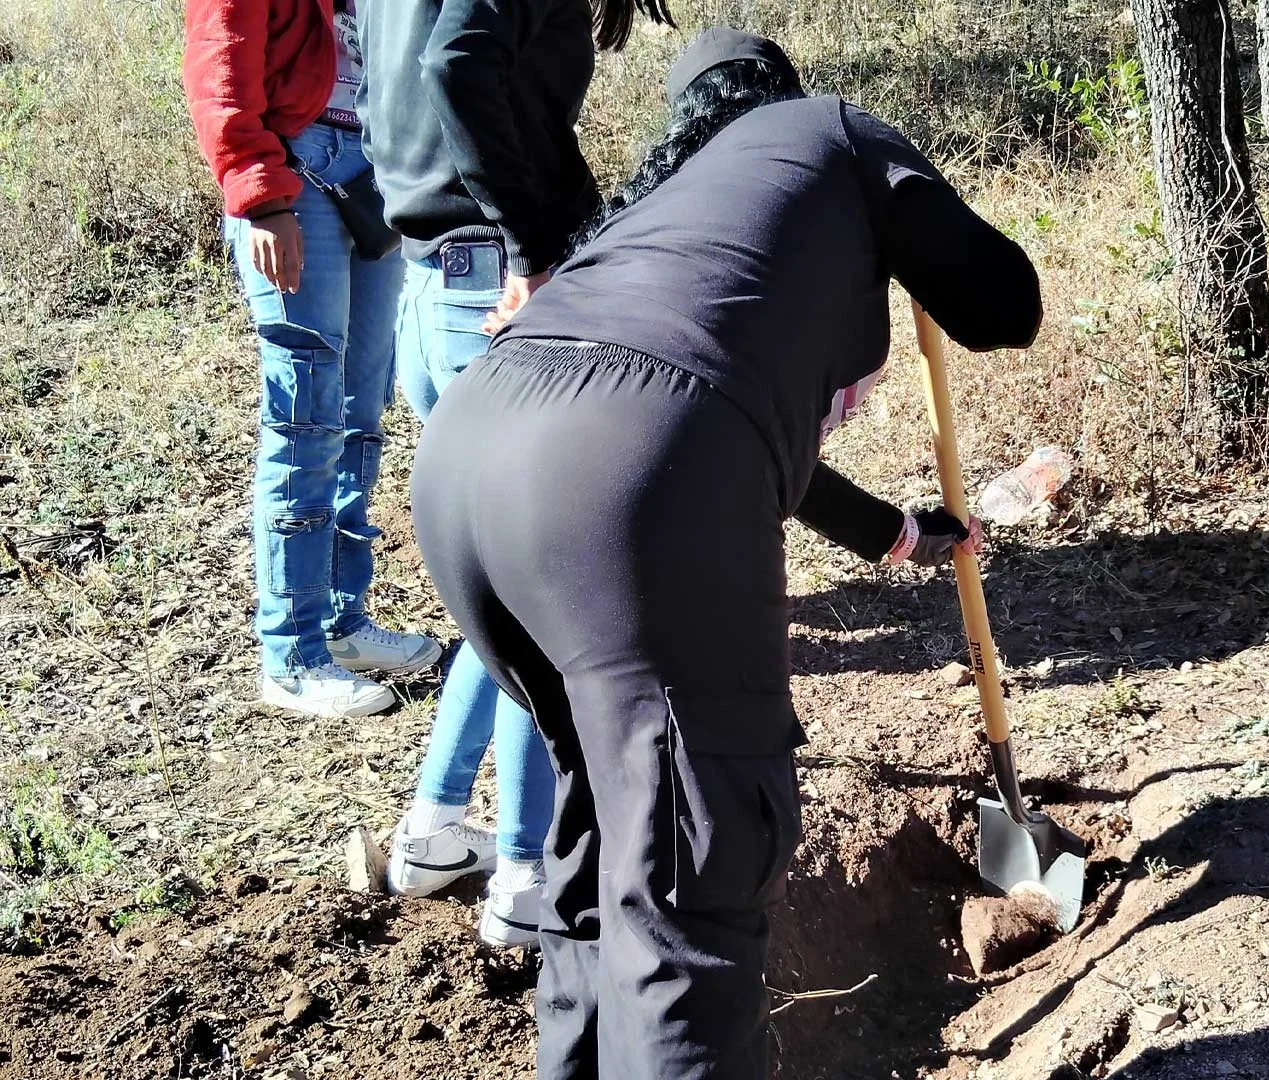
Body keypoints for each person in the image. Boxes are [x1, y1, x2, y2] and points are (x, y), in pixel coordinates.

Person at [409, 30, 1042, 1078]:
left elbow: (717, 429)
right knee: (692, 875)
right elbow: (1003, 306)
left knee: (605, 841)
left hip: (471, 463)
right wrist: (913, 220)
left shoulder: (662, 221)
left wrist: (900, 533)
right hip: (624, 484)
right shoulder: (833, 135)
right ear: (780, 95)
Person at [355, 0, 669, 947]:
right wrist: (534, 247)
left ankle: (437, 831)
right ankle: (530, 879)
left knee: (498, 599)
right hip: (489, 285)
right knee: (544, 601)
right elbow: (457, 67)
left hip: (429, 278)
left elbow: (406, 82)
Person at [184, 0, 442, 720]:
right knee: (305, 418)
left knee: (362, 410)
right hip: (296, 172)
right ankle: (291, 656)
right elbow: (219, 64)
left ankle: (341, 621)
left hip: (375, 170)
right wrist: (259, 196)